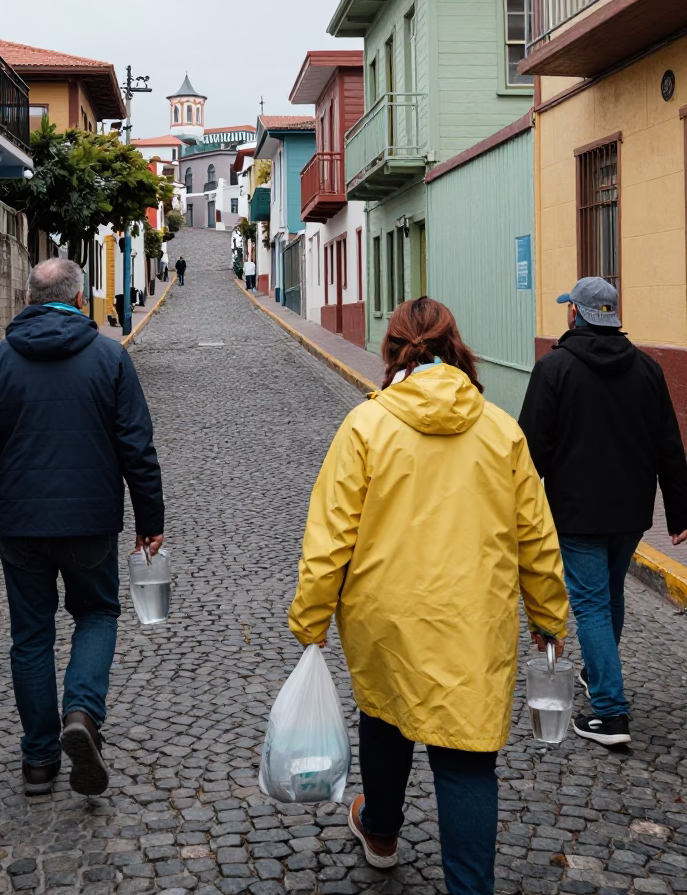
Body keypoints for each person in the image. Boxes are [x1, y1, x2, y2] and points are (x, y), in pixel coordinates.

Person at [289, 297, 567, 893]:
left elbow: (330, 534)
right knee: (466, 760)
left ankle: (382, 831)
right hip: (472, 623)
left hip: (386, 620)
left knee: (385, 721)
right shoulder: (500, 430)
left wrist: (310, 619)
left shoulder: (366, 425)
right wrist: (549, 617)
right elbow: (536, 537)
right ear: (456, 348)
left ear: (392, 352)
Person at [0, 258, 165, 798]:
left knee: (31, 636)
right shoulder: (108, 357)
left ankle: (39, 761)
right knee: (96, 614)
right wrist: (150, 521)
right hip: (91, 524)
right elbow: (136, 447)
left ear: (29, 297)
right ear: (79, 298)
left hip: (22, 525)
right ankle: (82, 712)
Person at [519, 276, 687, 747]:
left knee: (591, 603)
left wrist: (520, 508)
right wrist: (678, 512)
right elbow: (669, 446)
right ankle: (597, 675)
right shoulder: (648, 370)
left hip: (577, 512)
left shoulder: (554, 368)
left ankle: (611, 713)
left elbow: (532, 446)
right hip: (633, 511)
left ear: (576, 313)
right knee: (609, 595)